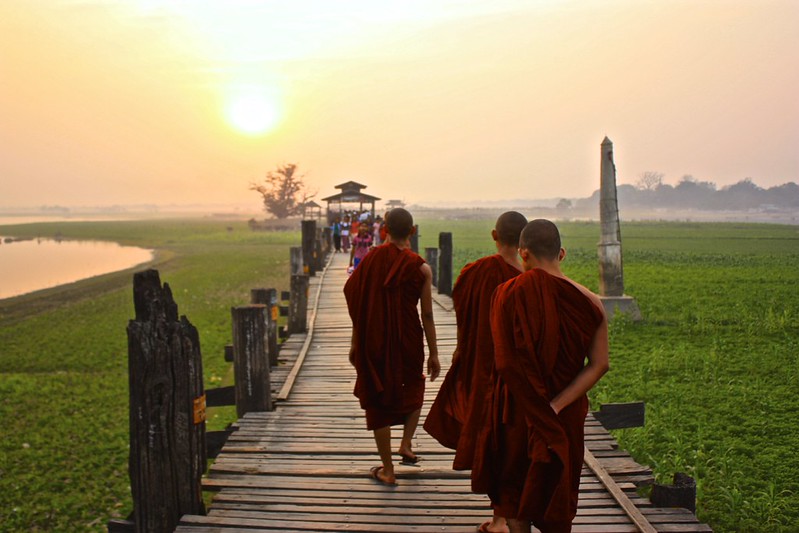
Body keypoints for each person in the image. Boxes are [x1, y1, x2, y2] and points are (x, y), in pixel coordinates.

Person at [485, 219, 609, 533]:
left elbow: (503, 361)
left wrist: (536, 405)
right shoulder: (591, 301)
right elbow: (599, 364)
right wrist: (555, 406)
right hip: (563, 414)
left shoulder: (506, 294)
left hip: (517, 409)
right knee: (557, 488)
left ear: (523, 254)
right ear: (562, 253)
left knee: (515, 491)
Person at [423, 211, 528, 533]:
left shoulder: (475, 272)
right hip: (518, 377)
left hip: (482, 367)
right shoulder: (529, 280)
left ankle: (499, 518)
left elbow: (463, 316)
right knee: (512, 444)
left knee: (490, 438)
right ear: (524, 241)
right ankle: (505, 516)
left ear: (495, 235)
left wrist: (460, 350)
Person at [344, 208, 441, 486]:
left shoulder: (370, 261)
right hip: (409, 337)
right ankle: (406, 442)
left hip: (373, 338)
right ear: (412, 231)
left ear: (384, 229)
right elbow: (428, 315)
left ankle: (388, 469)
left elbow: (356, 299)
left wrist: (355, 341)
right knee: (414, 384)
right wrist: (434, 353)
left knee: (378, 394)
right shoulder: (421, 268)